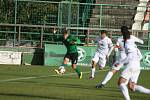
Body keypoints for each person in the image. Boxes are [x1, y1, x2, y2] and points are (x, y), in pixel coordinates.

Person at [116, 27, 150, 100]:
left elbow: (129, 56)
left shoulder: (128, 45)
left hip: (131, 65)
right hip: (137, 66)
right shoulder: (132, 42)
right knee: (131, 86)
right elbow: (140, 55)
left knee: (120, 82)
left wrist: (120, 63)